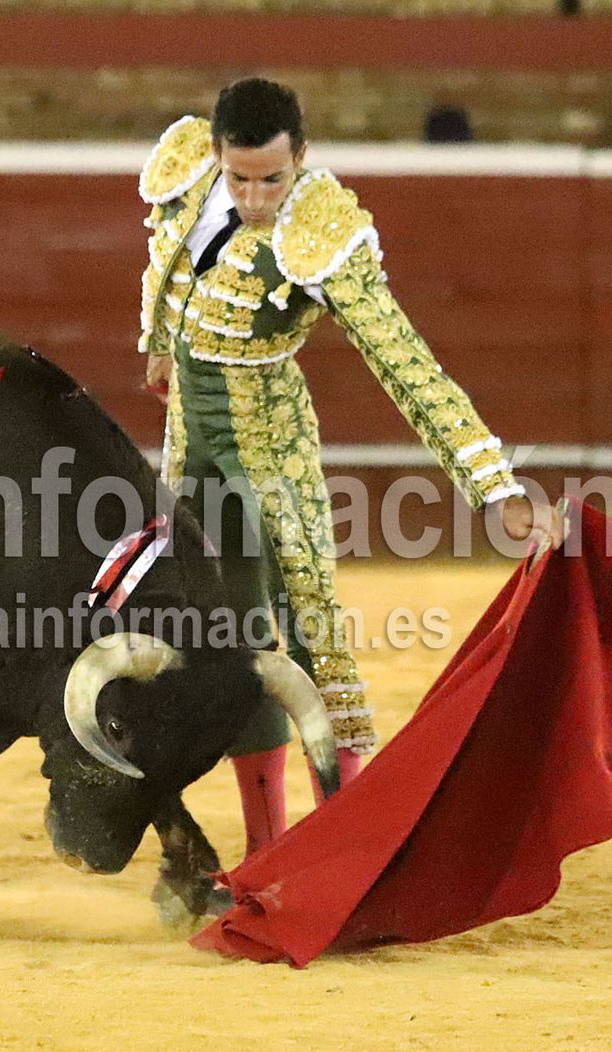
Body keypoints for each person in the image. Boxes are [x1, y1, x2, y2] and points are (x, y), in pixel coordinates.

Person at [137, 78, 561, 855]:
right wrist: (161, 345)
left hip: (267, 454)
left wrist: (493, 485)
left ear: (302, 155)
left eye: (274, 177)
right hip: (188, 453)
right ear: (218, 158)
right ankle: (266, 851)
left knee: (308, 637)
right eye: (241, 178)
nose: (257, 196)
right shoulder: (191, 173)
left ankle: (356, 850)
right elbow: (167, 262)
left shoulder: (320, 231)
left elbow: (405, 363)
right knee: (225, 644)